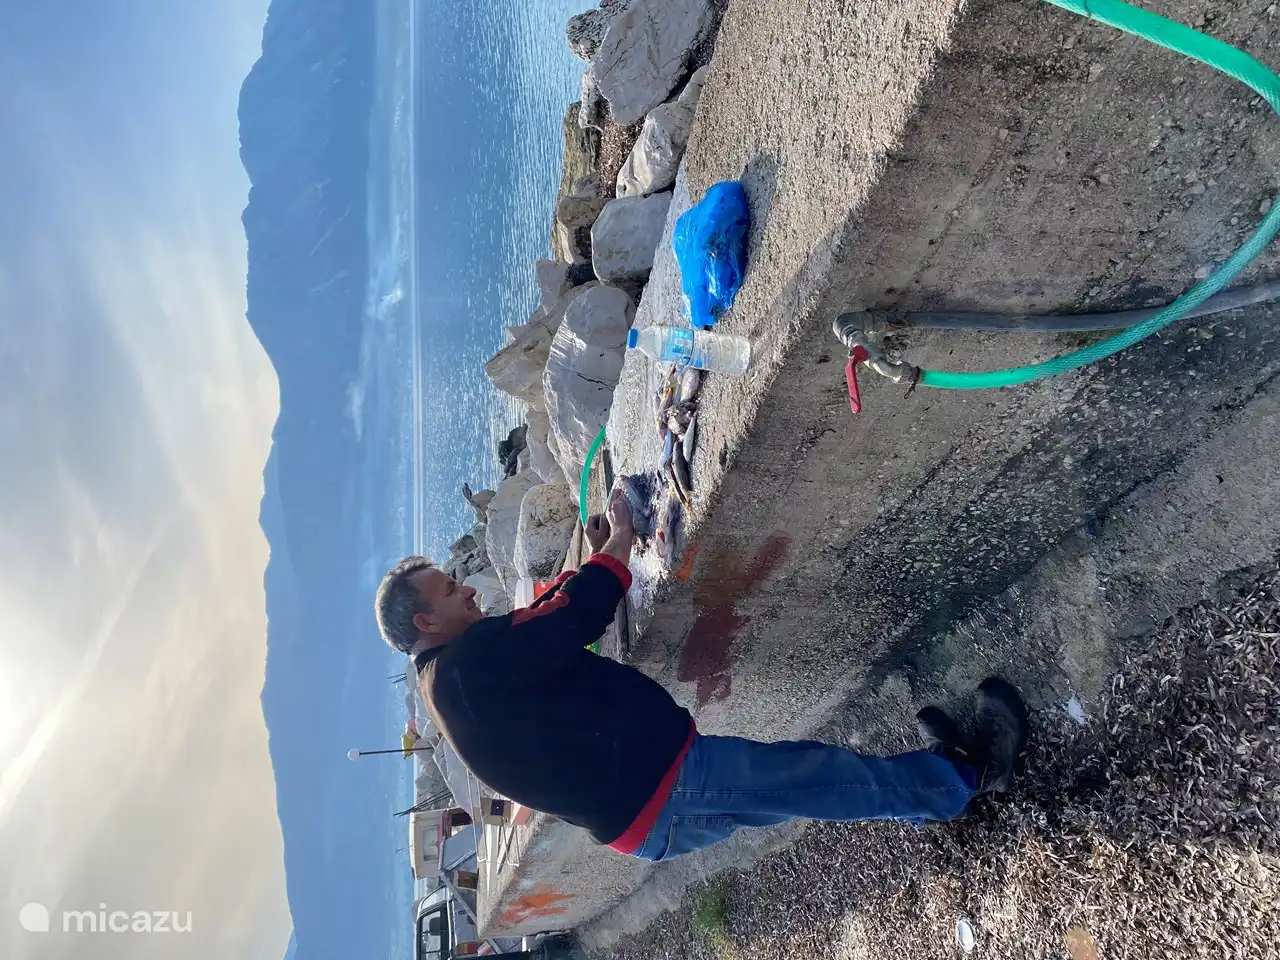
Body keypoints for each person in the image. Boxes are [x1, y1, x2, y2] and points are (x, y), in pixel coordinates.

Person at [374, 492, 1029, 863]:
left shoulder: (452, 683)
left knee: (810, 789)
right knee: (814, 775)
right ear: (426, 622)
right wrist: (620, 542)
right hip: (665, 787)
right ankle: (965, 777)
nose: (468, 592)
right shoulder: (467, 664)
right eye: (451, 590)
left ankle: (927, 791)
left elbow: (540, 630)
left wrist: (596, 557)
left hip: (646, 817)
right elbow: (571, 619)